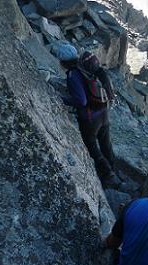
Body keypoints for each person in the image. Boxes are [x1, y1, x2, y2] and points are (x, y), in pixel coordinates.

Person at [62, 50, 119, 188]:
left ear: (63, 61)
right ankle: (114, 170)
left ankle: (108, 176)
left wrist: (63, 100)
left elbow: (81, 101)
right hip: (103, 112)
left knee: (92, 146)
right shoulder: (89, 69)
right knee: (106, 143)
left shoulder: (73, 74)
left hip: (90, 118)